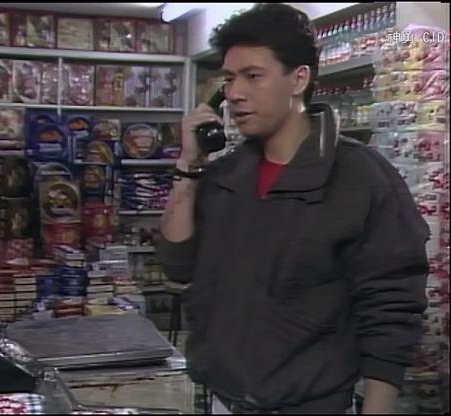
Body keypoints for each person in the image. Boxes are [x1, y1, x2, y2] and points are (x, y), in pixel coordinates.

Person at [157, 3, 430, 414]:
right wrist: (188, 164)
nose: (234, 94)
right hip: (220, 398)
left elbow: (391, 307)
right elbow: (177, 266)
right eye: (229, 79)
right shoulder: (226, 175)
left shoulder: (359, 176)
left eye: (253, 76)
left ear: (299, 79)